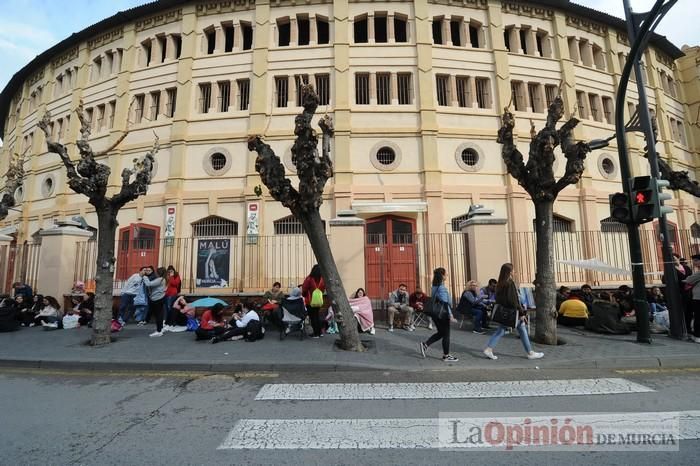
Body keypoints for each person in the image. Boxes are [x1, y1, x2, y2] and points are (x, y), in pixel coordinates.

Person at [483, 263, 543, 360]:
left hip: (505, 312)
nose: (514, 272)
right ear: (509, 272)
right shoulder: (510, 283)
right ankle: (530, 353)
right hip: (512, 312)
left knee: (513, 329)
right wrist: (521, 313)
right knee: (509, 330)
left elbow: (499, 299)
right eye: (513, 270)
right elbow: (513, 300)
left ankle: (530, 352)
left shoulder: (500, 284)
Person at [419, 267, 458, 362]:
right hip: (443, 314)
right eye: (446, 274)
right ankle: (446, 355)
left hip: (435, 314)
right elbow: (445, 303)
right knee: (446, 335)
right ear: (442, 275)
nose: (447, 276)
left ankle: (425, 344)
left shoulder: (434, 287)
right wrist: (451, 315)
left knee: (441, 333)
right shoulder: (442, 288)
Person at [672, 253, 694, 338]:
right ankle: (682, 329)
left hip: (690, 292)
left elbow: (692, 277)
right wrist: (683, 282)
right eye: (672, 259)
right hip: (680, 293)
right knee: (683, 311)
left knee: (690, 311)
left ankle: (688, 328)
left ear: (678, 258)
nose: (673, 260)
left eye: (674, 258)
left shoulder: (686, 267)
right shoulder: (672, 270)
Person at [302, 264, 326, 338]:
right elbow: (323, 289)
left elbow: (304, 288)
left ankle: (316, 333)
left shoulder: (309, 278)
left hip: (310, 301)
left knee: (313, 317)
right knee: (317, 316)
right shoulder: (322, 279)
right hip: (318, 300)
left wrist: (304, 294)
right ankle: (320, 332)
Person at [144, 267, 167, 337]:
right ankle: (160, 329)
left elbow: (149, 284)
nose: (156, 273)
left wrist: (145, 277)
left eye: (157, 272)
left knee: (158, 315)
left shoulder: (160, 279)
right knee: (159, 314)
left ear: (159, 273)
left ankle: (159, 331)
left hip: (157, 299)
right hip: (159, 298)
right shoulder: (163, 279)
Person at [682, 254, 700, 343]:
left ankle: (697, 336)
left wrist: (686, 279)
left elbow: (689, 280)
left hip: (698, 297)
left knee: (698, 317)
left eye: (695, 260)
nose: (693, 263)